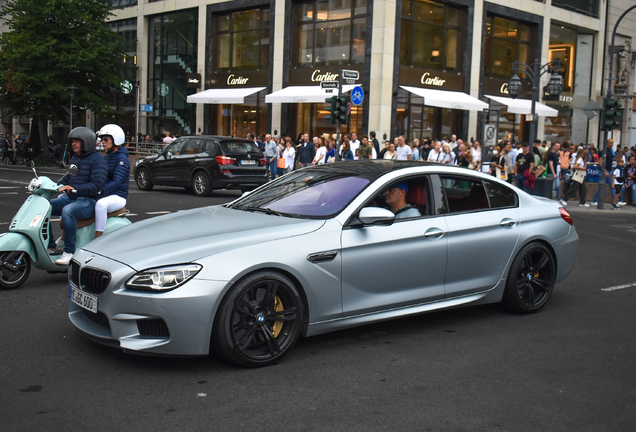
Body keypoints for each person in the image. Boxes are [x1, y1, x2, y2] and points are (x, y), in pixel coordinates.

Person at [47, 127, 107, 265]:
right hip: (73, 198)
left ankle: (69, 252)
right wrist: (55, 186)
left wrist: (75, 188)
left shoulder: (98, 161)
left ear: (87, 142)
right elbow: (68, 178)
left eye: (76, 141)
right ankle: (51, 246)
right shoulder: (75, 158)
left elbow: (97, 185)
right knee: (45, 207)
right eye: (72, 141)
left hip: (89, 200)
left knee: (68, 211)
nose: (73, 144)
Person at [94, 124, 129, 239]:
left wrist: (100, 190)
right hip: (106, 194)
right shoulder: (106, 157)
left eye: (106, 139)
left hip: (118, 196)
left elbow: (117, 181)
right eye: (102, 139)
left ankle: (97, 239)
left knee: (101, 205)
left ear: (116, 139)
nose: (102, 142)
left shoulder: (122, 159)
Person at [592, 139, 615, 205]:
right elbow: (600, 161)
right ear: (607, 143)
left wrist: (611, 169)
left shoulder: (611, 151)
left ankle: (616, 200)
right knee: (601, 186)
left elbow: (610, 161)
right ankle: (594, 200)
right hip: (604, 171)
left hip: (609, 170)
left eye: (612, 143)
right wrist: (605, 171)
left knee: (612, 186)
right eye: (610, 143)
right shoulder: (603, 151)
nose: (611, 144)